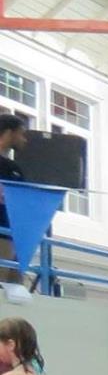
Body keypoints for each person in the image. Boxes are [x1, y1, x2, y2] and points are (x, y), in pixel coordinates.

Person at [0, 114, 29, 289]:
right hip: (2, 236)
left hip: (15, 237)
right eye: (21, 134)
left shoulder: (14, 168)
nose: (24, 140)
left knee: (15, 290)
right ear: (10, 133)